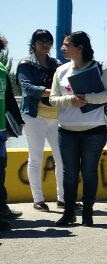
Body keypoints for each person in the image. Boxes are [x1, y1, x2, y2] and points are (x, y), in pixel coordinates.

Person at [48, 32, 107, 227]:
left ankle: (88, 213)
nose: (62, 48)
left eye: (66, 44)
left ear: (80, 47)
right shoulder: (60, 71)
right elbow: (53, 99)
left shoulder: (100, 68)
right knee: (69, 173)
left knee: (89, 172)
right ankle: (69, 213)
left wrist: (88, 98)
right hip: (67, 131)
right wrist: (70, 100)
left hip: (94, 130)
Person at [16, 29, 65, 211]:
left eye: (49, 41)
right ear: (33, 43)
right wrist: (51, 92)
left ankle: (63, 198)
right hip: (34, 116)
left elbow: (65, 82)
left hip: (55, 115)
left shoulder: (56, 63)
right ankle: (38, 199)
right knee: (35, 157)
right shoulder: (25, 64)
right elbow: (27, 87)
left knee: (62, 158)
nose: (45, 44)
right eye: (41, 40)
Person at [0, 34, 23, 229]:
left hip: (0, 132)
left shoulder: (1, 70)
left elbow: (8, 99)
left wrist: (18, 122)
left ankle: (2, 209)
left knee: (1, 172)